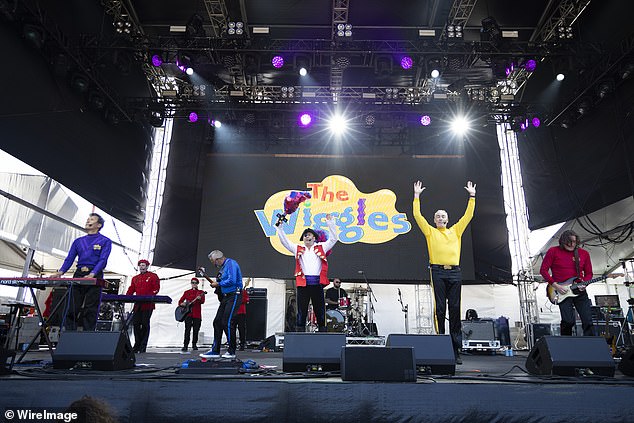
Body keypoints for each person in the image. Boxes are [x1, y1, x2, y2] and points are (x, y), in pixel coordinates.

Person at [413, 180, 476, 364]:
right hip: (438, 272)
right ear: (434, 220)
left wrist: (472, 196)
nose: (440, 218)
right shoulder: (430, 232)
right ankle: (441, 345)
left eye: (443, 216)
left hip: (455, 272)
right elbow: (417, 215)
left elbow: (468, 215)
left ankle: (455, 349)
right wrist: (416, 196)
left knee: (455, 309)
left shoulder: (456, 231)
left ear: (447, 220)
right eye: (437, 216)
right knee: (440, 308)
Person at [276, 215, 338, 332]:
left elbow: (333, 239)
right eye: (305, 236)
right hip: (303, 284)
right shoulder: (298, 248)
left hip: (317, 284)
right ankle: (300, 336)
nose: (307, 237)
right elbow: (285, 242)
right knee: (301, 311)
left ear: (314, 238)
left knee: (320, 311)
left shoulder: (321, 247)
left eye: (309, 235)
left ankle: (322, 334)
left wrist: (330, 223)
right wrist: (280, 228)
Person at [51, 213, 112, 331]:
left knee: (91, 308)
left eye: (92, 219)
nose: (88, 220)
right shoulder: (78, 241)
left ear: (98, 225)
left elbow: (103, 260)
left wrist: (93, 273)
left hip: (95, 274)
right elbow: (70, 258)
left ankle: (87, 336)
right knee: (72, 307)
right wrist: (61, 272)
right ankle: (69, 335)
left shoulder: (105, 241)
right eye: (88, 218)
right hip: (79, 274)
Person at [540, 230, 594, 337]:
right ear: (562, 242)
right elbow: (543, 270)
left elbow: (589, 273)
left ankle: (591, 346)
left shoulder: (584, 254)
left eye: (574, 242)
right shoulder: (553, 251)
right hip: (561, 291)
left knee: (588, 320)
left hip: (579, 290)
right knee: (568, 321)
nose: (571, 244)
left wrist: (585, 283)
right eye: (568, 242)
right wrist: (555, 285)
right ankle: (566, 344)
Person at [200, 250, 243, 359]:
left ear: (218, 259)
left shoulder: (231, 264)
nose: (215, 265)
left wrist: (218, 283)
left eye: (214, 262)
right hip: (226, 296)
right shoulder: (223, 268)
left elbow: (232, 280)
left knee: (227, 322)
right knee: (217, 322)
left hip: (234, 295)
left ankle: (232, 350)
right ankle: (215, 350)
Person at [126, 259, 160, 353]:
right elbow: (131, 289)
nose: (142, 267)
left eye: (143, 265)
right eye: (140, 265)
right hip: (138, 304)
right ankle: (137, 344)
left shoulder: (153, 276)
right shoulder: (135, 278)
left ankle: (143, 346)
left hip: (148, 304)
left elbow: (156, 288)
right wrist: (126, 297)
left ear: (147, 266)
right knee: (136, 324)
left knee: (145, 324)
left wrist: (149, 296)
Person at [178, 277, 206, 352]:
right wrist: (182, 303)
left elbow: (203, 301)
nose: (194, 284)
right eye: (192, 282)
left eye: (195, 283)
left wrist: (200, 299)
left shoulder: (200, 292)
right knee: (187, 329)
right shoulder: (186, 292)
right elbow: (180, 301)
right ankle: (185, 345)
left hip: (197, 314)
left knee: (196, 330)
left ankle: (194, 344)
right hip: (188, 314)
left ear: (197, 284)